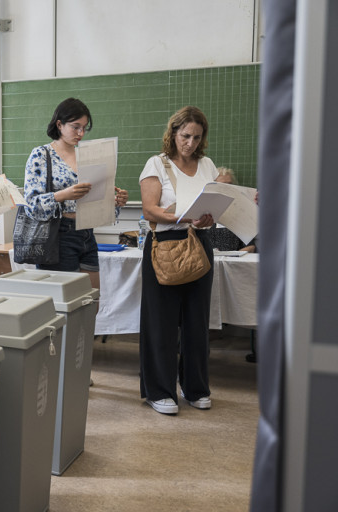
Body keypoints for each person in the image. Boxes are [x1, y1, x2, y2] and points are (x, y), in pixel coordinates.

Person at [138, 105, 217, 415]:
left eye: (197, 137)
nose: (191, 143)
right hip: (165, 246)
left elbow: (210, 210)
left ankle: (196, 388)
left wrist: (206, 219)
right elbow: (149, 210)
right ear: (173, 133)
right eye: (185, 136)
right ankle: (159, 390)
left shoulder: (208, 165)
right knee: (162, 322)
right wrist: (182, 218)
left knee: (198, 321)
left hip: (200, 243)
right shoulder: (156, 164)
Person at [22, 98, 128, 289]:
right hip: (58, 235)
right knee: (65, 307)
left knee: (91, 303)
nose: (80, 133)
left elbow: (95, 202)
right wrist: (63, 194)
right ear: (59, 124)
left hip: (87, 234)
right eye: (75, 127)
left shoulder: (87, 156)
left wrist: (114, 202)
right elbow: (31, 205)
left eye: (84, 128)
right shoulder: (41, 155)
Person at [208, 167, 257, 253]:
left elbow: (251, 247)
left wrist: (232, 258)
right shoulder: (203, 213)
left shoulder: (242, 214)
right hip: (208, 262)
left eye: (230, 185)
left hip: (235, 263)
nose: (227, 189)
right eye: (222, 185)